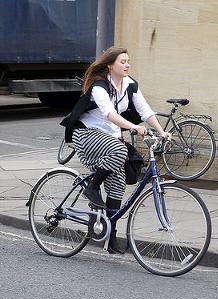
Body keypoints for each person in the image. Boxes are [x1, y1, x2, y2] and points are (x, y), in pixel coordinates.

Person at [61, 47, 169, 254]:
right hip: (86, 135)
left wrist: (161, 131)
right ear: (110, 65)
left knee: (118, 184)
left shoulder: (129, 85)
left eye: (128, 61)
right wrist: (133, 127)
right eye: (122, 61)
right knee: (120, 151)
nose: (127, 65)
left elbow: (145, 110)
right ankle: (92, 187)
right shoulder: (99, 86)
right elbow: (109, 114)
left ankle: (110, 237)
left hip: (109, 138)